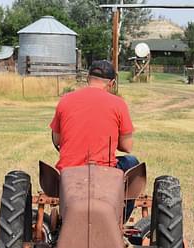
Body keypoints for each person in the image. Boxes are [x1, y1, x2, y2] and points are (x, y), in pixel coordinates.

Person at [49, 60, 139, 218]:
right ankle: (120, 218)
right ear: (111, 84)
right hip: (104, 172)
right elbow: (127, 146)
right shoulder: (118, 104)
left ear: (88, 78)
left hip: (69, 172)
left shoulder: (66, 100)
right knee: (132, 162)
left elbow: (57, 140)